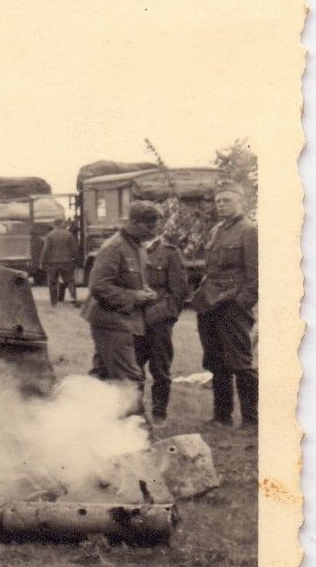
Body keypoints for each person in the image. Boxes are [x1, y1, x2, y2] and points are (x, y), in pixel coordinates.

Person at [191, 181, 258, 429]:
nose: (221, 205)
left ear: (241, 202)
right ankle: (222, 416)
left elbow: (256, 275)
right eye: (218, 201)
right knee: (216, 362)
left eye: (226, 200)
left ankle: (251, 420)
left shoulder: (249, 230)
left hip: (233, 306)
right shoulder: (217, 230)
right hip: (210, 304)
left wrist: (241, 304)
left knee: (240, 362)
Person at [82, 201, 161, 403]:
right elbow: (98, 286)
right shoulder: (114, 248)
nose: (155, 230)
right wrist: (135, 297)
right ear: (134, 222)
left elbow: (130, 279)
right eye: (150, 226)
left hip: (123, 319)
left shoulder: (137, 246)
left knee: (102, 376)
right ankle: (139, 430)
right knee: (129, 379)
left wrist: (144, 291)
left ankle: (80, 420)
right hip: (111, 321)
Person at [135, 228, 190, 422]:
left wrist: (168, 316)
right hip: (134, 318)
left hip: (159, 320)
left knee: (160, 368)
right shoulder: (131, 250)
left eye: (149, 224)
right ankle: (135, 414)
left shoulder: (170, 253)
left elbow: (179, 290)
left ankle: (159, 414)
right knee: (133, 367)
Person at [39, 220, 78, 306]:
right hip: (67, 261)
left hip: (52, 262)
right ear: (61, 224)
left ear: (55, 225)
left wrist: (42, 262)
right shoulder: (69, 234)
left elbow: (45, 250)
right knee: (70, 280)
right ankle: (73, 298)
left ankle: (54, 302)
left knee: (52, 282)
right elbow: (74, 249)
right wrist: (75, 259)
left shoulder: (49, 235)